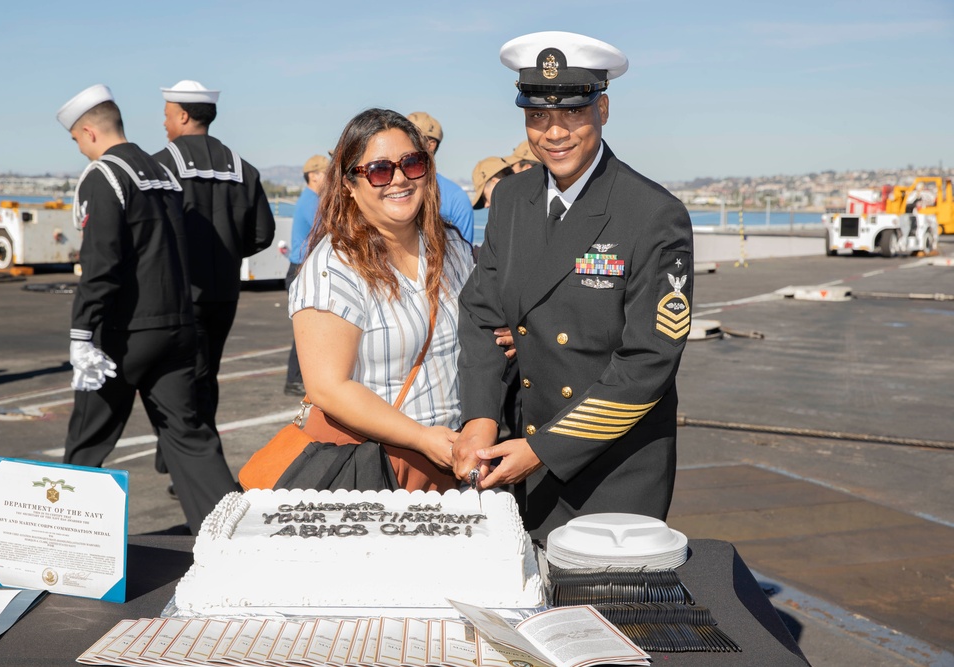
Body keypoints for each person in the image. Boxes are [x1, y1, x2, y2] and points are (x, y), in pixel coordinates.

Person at [454, 32, 695, 540]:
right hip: (517, 452)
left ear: (602, 109)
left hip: (612, 470)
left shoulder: (652, 214)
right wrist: (479, 419)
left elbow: (648, 363)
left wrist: (543, 450)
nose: (554, 132)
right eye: (538, 116)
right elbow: (480, 311)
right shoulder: (513, 199)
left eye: (572, 114)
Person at [56, 84, 238, 534]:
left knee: (88, 442)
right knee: (189, 438)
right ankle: (232, 538)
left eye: (77, 140)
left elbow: (102, 262)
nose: (80, 149)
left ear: (89, 133)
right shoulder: (161, 171)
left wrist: (82, 335)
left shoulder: (105, 177)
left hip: (126, 332)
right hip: (177, 328)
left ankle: (63, 541)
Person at [289, 108, 475, 492]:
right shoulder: (333, 267)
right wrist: (423, 438)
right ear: (348, 185)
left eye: (412, 163)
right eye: (379, 170)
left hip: (458, 458)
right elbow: (329, 387)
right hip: (379, 469)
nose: (399, 179)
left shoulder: (452, 247)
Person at [154, 80, 275, 432]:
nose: (163, 124)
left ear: (184, 115)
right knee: (207, 373)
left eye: (166, 116)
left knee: (178, 379)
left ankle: (192, 462)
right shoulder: (244, 169)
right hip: (224, 293)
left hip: (177, 294)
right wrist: (226, 256)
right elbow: (262, 234)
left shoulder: (160, 167)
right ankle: (184, 457)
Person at [283, 153, 329, 395]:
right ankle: (295, 379)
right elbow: (327, 231)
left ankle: (298, 378)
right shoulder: (312, 201)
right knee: (306, 328)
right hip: (302, 269)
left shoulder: (310, 199)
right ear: (313, 176)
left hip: (300, 267)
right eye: (326, 173)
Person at [406, 112, 475, 244]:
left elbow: (464, 256)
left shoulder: (456, 198)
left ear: (430, 145)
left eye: (410, 138)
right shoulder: (392, 187)